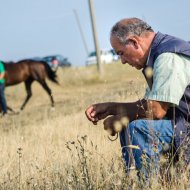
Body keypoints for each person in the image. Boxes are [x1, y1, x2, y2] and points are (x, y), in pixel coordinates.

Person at [85, 17, 190, 182]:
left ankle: (144, 184)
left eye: (121, 53)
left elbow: (156, 110)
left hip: (186, 127)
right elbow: (149, 106)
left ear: (134, 42)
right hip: (183, 124)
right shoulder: (157, 55)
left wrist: (117, 112)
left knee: (138, 128)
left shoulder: (167, 56)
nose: (122, 61)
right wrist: (114, 111)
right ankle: (147, 180)